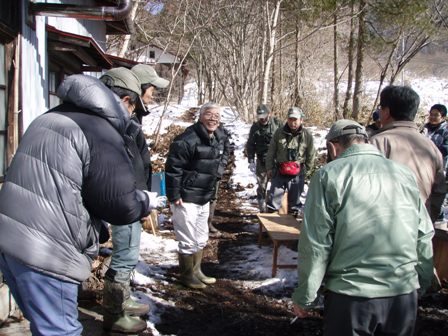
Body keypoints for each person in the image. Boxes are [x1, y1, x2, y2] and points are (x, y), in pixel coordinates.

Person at [0, 70, 158, 336]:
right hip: (49, 252)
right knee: (61, 331)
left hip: (11, 242)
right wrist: (145, 200)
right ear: (125, 101)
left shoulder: (51, 116)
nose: (132, 116)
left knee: (44, 326)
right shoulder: (99, 129)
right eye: (134, 107)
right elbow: (120, 206)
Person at [292, 119, 434, 336]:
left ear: (332, 146)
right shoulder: (404, 174)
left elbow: (316, 243)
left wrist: (306, 297)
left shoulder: (328, 175)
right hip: (403, 294)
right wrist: (421, 281)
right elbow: (423, 233)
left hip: (351, 296)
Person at [99, 66, 169, 333]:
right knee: (124, 255)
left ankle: (123, 299)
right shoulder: (124, 120)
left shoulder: (133, 118)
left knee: (129, 252)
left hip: (135, 197)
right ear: (137, 90)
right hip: (126, 199)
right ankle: (113, 314)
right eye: (151, 89)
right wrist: (136, 199)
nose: (153, 95)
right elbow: (124, 165)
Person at [165, 102, 228, 289]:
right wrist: (174, 194)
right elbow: (173, 168)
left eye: (217, 115)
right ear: (200, 116)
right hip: (185, 198)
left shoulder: (217, 137)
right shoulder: (186, 140)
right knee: (187, 239)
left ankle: (197, 270)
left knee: (201, 237)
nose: (213, 118)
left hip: (204, 197)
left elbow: (225, 153)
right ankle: (186, 275)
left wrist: (218, 172)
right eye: (209, 114)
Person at [370, 85, 446, 223]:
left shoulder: (377, 143)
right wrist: (427, 223)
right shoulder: (431, 147)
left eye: (380, 108)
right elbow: (439, 192)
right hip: (420, 227)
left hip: (384, 228)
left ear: (386, 112)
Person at [265, 107, 315, 214]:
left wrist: (308, 171)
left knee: (294, 205)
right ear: (287, 119)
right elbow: (271, 152)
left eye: (295, 120)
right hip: (279, 171)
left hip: (297, 173)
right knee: (273, 202)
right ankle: (269, 228)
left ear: (301, 120)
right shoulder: (279, 133)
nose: (293, 123)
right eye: (290, 119)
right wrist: (269, 168)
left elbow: (311, 154)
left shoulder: (307, 135)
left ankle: (290, 229)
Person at [246, 104, 281, 212]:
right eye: (260, 116)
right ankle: (263, 210)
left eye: (264, 116)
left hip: (276, 161)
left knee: (277, 188)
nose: (262, 118)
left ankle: (275, 211)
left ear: (269, 114)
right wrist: (251, 160)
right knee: (261, 187)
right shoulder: (255, 127)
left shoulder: (277, 124)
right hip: (262, 161)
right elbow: (250, 144)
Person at [208, 124, 231, 236]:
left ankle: (209, 223)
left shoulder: (222, 133)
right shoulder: (194, 132)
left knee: (213, 197)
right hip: (198, 173)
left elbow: (227, 150)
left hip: (216, 171)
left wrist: (222, 166)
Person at [421, 104, 448, 168]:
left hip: (439, 166)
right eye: (431, 114)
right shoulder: (425, 127)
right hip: (422, 163)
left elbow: (446, 149)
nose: (432, 117)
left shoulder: (446, 131)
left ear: (443, 117)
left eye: (436, 115)